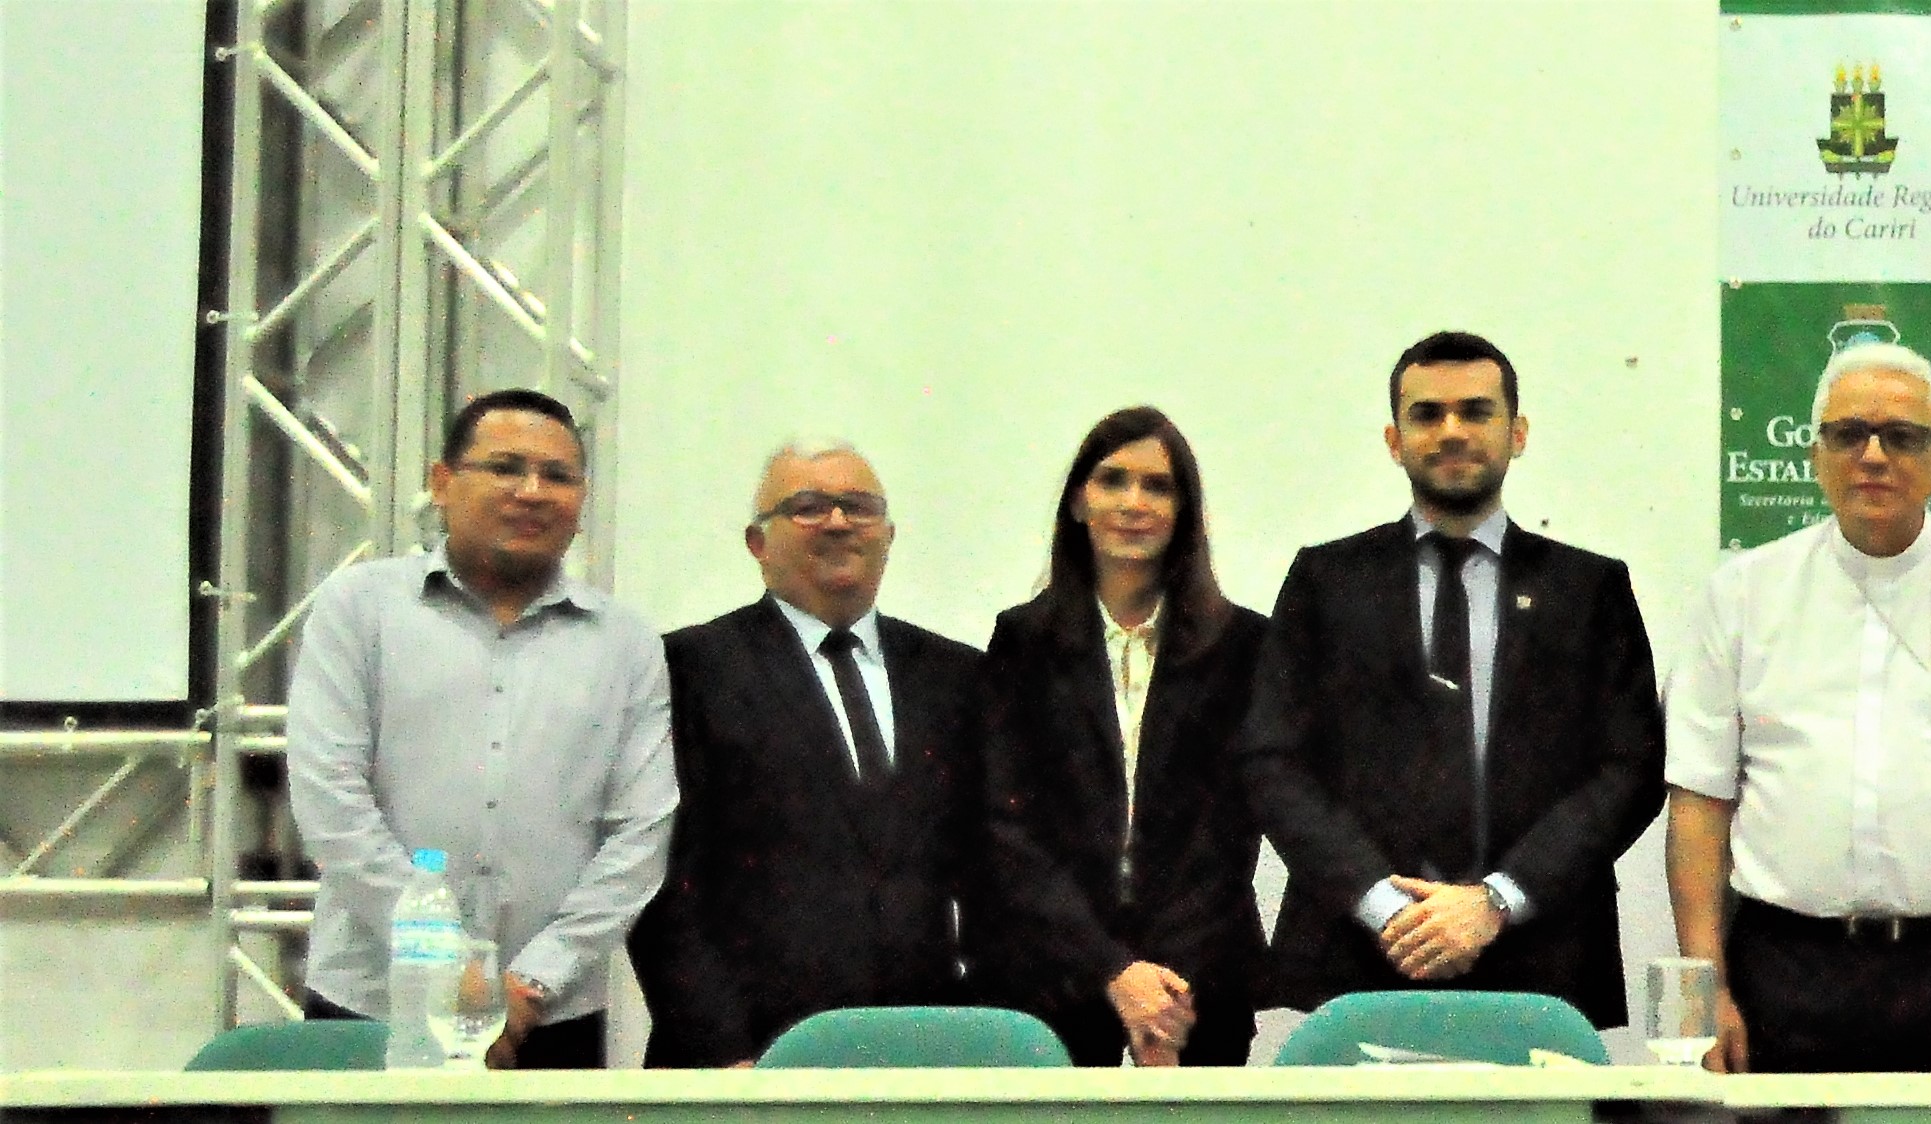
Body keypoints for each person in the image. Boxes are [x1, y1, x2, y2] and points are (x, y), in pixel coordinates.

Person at [1665, 343, 1931, 1073]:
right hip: (1782, 967)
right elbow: (1700, 802)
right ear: (1815, 455)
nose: (1874, 456)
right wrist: (1705, 991)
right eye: (1849, 434)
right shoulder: (1739, 597)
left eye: (1903, 437)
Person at [1239, 331, 1665, 1032]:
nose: (1452, 431)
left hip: (1542, 953)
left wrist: (1494, 902)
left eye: (1476, 411)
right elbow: (1272, 762)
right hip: (1358, 953)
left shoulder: (1589, 589)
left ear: (1517, 433)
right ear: (1394, 439)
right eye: (1427, 414)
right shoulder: (1326, 581)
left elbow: (1631, 771)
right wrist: (1386, 908)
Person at [285, 389, 675, 1070]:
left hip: (548, 1015)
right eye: (505, 468)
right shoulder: (360, 609)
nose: (532, 492)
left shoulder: (625, 643)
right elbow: (330, 800)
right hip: (374, 1001)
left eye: (558, 476)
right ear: (442, 483)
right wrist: (445, 965)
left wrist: (530, 983)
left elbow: (641, 832)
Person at [639, 439, 986, 1067]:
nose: (837, 522)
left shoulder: (958, 676)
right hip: (743, 1064)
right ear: (757, 542)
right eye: (807, 506)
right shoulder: (686, 668)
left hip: (919, 1055)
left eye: (860, 507)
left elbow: (991, 873)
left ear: (889, 535)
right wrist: (722, 1054)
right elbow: (661, 883)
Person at [979, 407, 1272, 1066]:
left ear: (1183, 512)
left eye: (1158, 486)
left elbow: (1230, 832)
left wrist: (1164, 992)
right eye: (1113, 480)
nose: (1134, 503)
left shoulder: (1244, 646)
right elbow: (1006, 826)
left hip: (1197, 987)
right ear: (1078, 503)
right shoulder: (1021, 643)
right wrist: (1113, 971)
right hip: (1052, 981)